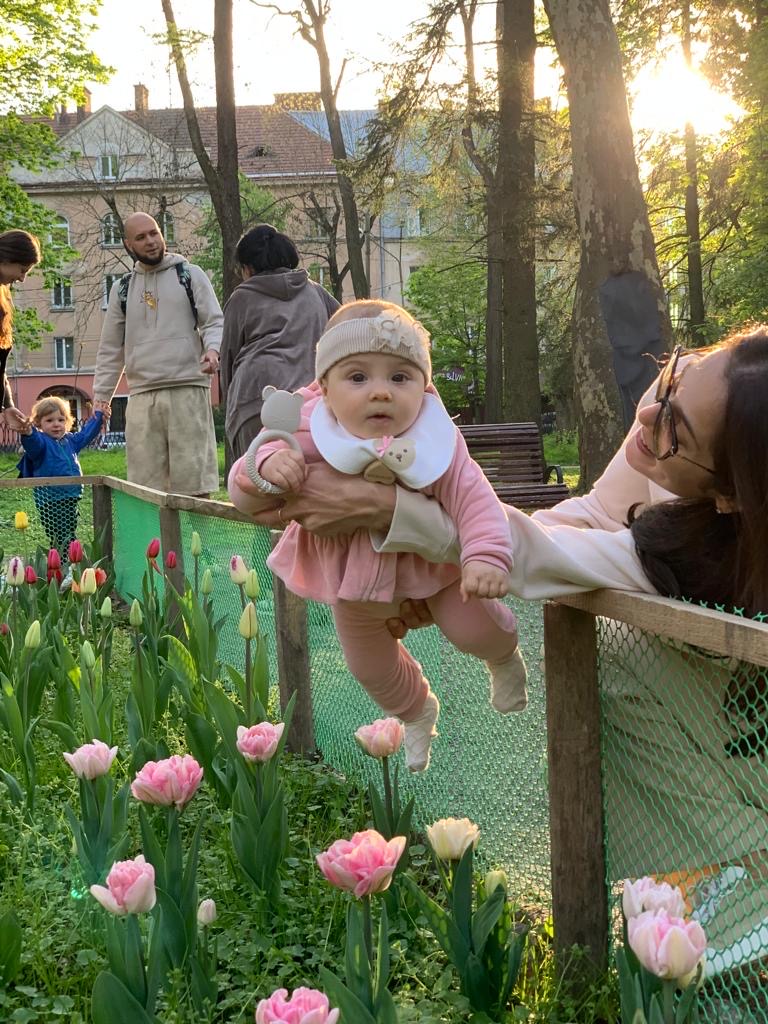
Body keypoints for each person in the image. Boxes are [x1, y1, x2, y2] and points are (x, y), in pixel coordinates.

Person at [233, 325, 768, 976]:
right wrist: (429, 571)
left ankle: (740, 893)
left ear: (732, 495)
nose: (651, 412)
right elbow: (591, 514)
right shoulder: (676, 435)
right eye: (677, 375)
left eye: (676, 428)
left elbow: (552, 559)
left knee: (606, 642)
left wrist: (386, 512)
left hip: (735, 747)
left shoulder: (708, 551)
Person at [228, 300, 528, 773]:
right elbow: (244, 485)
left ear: (424, 387)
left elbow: (473, 495)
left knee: (473, 627)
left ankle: (503, 655)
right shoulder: (308, 427)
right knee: (368, 664)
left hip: (432, 568)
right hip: (352, 579)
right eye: (358, 377)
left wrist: (485, 555)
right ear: (324, 388)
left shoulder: (433, 438)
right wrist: (267, 466)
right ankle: (417, 709)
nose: (381, 392)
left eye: (400, 377)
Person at [93, 212, 223, 497]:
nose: (150, 241)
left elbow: (214, 321)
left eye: (154, 233)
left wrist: (213, 350)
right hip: (142, 395)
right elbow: (111, 348)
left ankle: (195, 529)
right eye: (141, 237)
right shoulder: (122, 289)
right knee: (146, 488)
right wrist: (102, 397)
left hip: (188, 389)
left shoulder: (190, 275)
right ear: (129, 245)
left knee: (195, 483)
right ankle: (153, 530)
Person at [220, 223, 339, 459]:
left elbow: (228, 359)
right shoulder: (316, 292)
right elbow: (345, 328)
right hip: (309, 401)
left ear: (248, 268)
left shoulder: (241, 298)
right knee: (307, 474)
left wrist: (230, 403)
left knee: (254, 474)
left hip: (255, 400)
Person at [16, 396, 104, 558]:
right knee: (61, 535)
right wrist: (28, 433)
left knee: (68, 532)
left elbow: (86, 434)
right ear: (39, 423)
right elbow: (33, 443)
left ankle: (63, 562)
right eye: (49, 420)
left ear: (67, 421)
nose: (56, 424)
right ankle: (65, 563)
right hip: (50, 499)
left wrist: (98, 415)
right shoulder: (42, 443)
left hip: (70, 496)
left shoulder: (70, 441)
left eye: (61, 420)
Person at [0, 230, 42, 431]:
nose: (22, 278)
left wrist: (8, 405)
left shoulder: (3, 296)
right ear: (6, 259)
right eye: (23, 270)